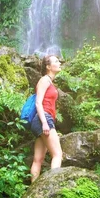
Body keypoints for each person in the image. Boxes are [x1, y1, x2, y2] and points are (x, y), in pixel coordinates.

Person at [30, 53, 63, 182]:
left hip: (41, 120)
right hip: (43, 119)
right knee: (57, 154)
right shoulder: (44, 80)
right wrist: (44, 122)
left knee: (38, 160)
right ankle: (52, 186)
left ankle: (33, 189)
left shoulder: (49, 81)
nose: (60, 63)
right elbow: (38, 102)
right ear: (48, 66)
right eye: (56, 61)